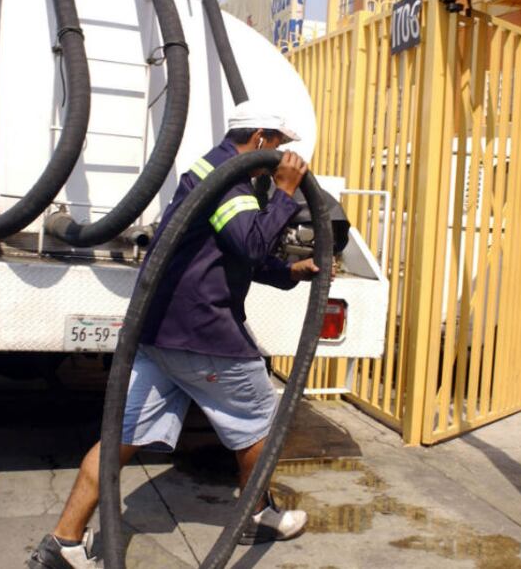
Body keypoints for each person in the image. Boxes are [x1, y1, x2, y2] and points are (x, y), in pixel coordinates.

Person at [28, 101, 320, 569]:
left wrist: (287, 271)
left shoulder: (212, 171)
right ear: (261, 138)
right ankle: (255, 514)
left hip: (161, 330)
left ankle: (64, 541)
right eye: (279, 146)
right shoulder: (229, 177)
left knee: (120, 435)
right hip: (202, 332)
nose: (280, 158)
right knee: (264, 421)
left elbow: (229, 252)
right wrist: (285, 192)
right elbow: (248, 240)